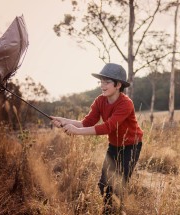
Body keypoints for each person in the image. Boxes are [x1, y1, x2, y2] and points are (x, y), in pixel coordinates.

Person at [51, 63, 143, 214]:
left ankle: (116, 211)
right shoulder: (100, 101)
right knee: (103, 184)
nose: (102, 85)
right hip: (114, 146)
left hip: (131, 146)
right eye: (101, 81)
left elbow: (108, 127)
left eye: (106, 82)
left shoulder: (126, 103)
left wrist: (77, 131)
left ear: (118, 85)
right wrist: (64, 121)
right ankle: (107, 211)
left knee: (119, 185)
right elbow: (85, 123)